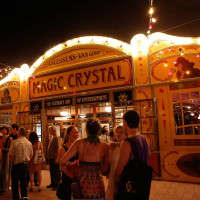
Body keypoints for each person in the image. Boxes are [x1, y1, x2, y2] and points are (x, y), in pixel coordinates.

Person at [60, 118, 109, 200]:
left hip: (81, 187)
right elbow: (104, 170)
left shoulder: (79, 143)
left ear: (86, 130)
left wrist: (69, 166)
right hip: (98, 189)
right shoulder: (105, 146)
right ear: (99, 130)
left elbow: (62, 161)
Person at [115, 110, 149, 199]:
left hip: (130, 186)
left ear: (125, 122)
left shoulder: (127, 143)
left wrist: (115, 183)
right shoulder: (142, 138)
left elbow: (120, 169)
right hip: (142, 182)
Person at [9, 127, 33, 200]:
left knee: (15, 183)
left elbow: (11, 155)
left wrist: (11, 164)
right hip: (25, 164)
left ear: (19, 133)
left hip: (16, 165)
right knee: (23, 182)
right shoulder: (29, 143)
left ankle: (16, 198)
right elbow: (31, 154)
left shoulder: (15, 142)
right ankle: (24, 197)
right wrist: (27, 160)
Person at [58, 125, 79, 200]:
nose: (76, 134)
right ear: (68, 134)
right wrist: (71, 176)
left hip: (78, 177)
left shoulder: (79, 147)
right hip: (68, 177)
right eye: (73, 132)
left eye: (77, 132)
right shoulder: (63, 149)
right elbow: (62, 166)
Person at [106, 125, 126, 200]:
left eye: (121, 132)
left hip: (123, 177)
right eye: (117, 132)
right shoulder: (113, 146)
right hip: (112, 176)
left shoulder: (127, 146)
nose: (118, 134)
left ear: (125, 133)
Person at [47, 126, 61, 191]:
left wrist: (57, 158)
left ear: (53, 131)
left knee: (56, 171)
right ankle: (52, 183)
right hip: (51, 157)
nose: (49, 132)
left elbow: (58, 148)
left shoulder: (56, 137)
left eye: (50, 130)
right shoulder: (53, 137)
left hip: (54, 157)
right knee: (52, 171)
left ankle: (56, 185)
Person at [0, 126, 11, 192]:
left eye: (5, 130)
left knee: (6, 170)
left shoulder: (9, 138)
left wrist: (3, 149)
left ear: (7, 131)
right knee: (1, 170)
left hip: (6, 154)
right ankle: (1, 186)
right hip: (1, 154)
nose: (4, 131)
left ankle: (6, 186)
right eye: (2, 130)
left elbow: (10, 148)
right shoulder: (0, 137)